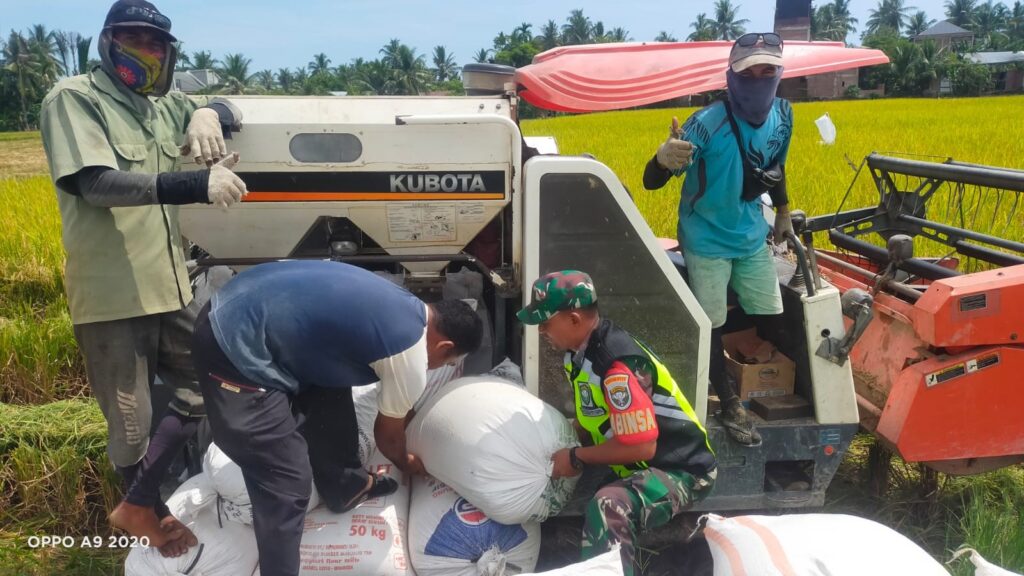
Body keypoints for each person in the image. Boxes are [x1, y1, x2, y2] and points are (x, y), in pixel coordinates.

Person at [39, 0, 248, 556]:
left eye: (155, 44)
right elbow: (96, 184)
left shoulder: (160, 104)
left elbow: (215, 106)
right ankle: (147, 515)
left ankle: (149, 496)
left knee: (212, 376)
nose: (145, 53)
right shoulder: (76, 98)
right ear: (109, 43)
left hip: (171, 283)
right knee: (131, 424)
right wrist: (191, 186)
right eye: (133, 40)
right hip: (113, 293)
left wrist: (208, 114)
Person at [191, 260, 483, 576]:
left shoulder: (404, 305)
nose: (435, 368)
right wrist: (407, 462)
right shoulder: (409, 353)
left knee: (333, 385)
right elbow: (387, 437)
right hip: (232, 339)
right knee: (287, 482)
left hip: (240, 302)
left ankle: (347, 487)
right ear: (444, 345)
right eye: (443, 362)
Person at [642, 32, 796, 446]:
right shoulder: (705, 124)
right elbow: (651, 182)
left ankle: (759, 372)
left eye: (768, 70)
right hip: (705, 235)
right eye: (750, 71)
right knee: (710, 319)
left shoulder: (784, 115)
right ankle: (729, 400)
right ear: (733, 74)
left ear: (779, 73)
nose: (759, 78)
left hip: (750, 233)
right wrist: (662, 157)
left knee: (770, 309)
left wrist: (782, 210)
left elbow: (776, 167)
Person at [518, 270, 717, 576]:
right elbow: (594, 413)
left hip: (683, 470)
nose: (542, 330)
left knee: (608, 507)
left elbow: (642, 445)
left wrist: (575, 457)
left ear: (573, 319)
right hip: (639, 465)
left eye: (546, 322)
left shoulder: (616, 367)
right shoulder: (579, 353)